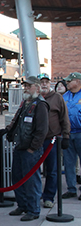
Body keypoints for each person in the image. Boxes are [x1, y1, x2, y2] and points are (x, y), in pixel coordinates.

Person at [0, 76, 48, 221]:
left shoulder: (40, 105)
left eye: (29, 86)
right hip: (20, 146)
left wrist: (33, 148)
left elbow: (42, 130)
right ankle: (23, 205)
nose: (25, 88)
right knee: (18, 178)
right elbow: (16, 121)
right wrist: (7, 130)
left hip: (30, 150)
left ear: (37, 88)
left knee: (31, 180)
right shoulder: (25, 103)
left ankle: (33, 209)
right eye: (25, 86)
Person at [38, 73, 70, 207]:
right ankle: (36, 194)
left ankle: (48, 197)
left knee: (52, 170)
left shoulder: (57, 98)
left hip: (52, 140)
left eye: (46, 81)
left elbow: (64, 118)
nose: (44, 84)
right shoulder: (34, 98)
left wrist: (66, 136)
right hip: (36, 140)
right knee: (34, 170)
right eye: (41, 82)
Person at [61, 72, 81, 199]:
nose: (67, 83)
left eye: (69, 81)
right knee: (69, 163)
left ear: (78, 81)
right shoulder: (64, 97)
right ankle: (71, 189)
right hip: (68, 134)